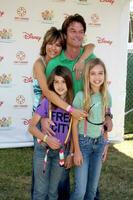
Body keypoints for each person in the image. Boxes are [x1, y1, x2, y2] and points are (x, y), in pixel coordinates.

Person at [45, 14, 112, 200]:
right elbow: (48, 93)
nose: (77, 35)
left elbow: (102, 97)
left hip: (86, 125)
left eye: (81, 31)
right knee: (63, 172)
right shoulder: (55, 62)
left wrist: (108, 119)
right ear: (65, 35)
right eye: (72, 31)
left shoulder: (89, 56)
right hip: (62, 123)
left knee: (89, 184)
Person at [31, 25, 95, 199]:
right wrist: (70, 109)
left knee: (58, 174)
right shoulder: (40, 63)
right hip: (41, 117)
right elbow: (47, 91)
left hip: (57, 116)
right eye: (50, 44)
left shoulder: (58, 62)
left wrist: (82, 60)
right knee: (40, 172)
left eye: (58, 45)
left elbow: (90, 46)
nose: (54, 48)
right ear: (44, 44)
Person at [29, 66, 74, 200]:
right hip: (44, 150)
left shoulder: (73, 105)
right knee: (40, 191)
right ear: (52, 84)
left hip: (62, 152)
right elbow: (31, 128)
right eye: (56, 82)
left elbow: (73, 133)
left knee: (54, 192)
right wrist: (46, 138)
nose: (60, 85)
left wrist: (70, 153)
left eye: (63, 82)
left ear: (69, 83)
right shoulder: (46, 102)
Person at [69, 58, 112, 200]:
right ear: (87, 76)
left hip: (99, 144)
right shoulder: (81, 97)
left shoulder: (107, 96)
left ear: (105, 75)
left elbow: (104, 125)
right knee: (80, 191)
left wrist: (105, 145)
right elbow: (74, 125)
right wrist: (76, 151)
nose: (97, 77)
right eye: (93, 73)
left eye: (100, 73)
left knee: (92, 191)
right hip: (83, 144)